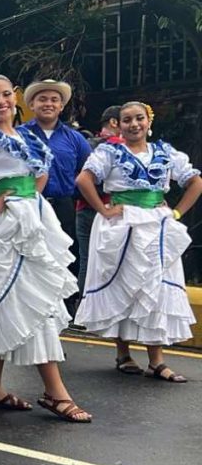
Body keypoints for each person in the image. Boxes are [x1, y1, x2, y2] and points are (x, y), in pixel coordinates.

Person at [0, 75, 90, 422]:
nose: (1, 101)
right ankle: (56, 392)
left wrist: (30, 197)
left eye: (6, 95)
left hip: (29, 221)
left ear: (16, 99)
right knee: (29, 302)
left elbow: (40, 174)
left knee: (15, 304)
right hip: (3, 228)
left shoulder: (23, 139)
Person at [75, 101, 202, 381]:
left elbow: (195, 181)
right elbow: (84, 180)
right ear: (118, 125)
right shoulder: (109, 152)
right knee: (124, 284)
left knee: (154, 286)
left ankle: (156, 360)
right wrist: (103, 209)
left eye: (139, 119)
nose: (134, 124)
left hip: (157, 224)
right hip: (122, 224)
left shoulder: (165, 152)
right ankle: (123, 353)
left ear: (148, 121)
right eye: (127, 120)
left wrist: (178, 211)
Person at [19, 80, 91, 315]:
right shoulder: (19, 135)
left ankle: (63, 312)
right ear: (31, 103)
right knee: (30, 257)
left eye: (54, 100)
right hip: (26, 205)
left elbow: (89, 172)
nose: (48, 104)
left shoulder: (75, 139)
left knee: (65, 258)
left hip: (62, 206)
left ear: (61, 106)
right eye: (42, 99)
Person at [75, 106, 121, 302]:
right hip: (108, 208)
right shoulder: (118, 147)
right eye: (126, 120)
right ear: (114, 122)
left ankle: (82, 305)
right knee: (110, 262)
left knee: (87, 260)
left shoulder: (87, 144)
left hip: (82, 208)